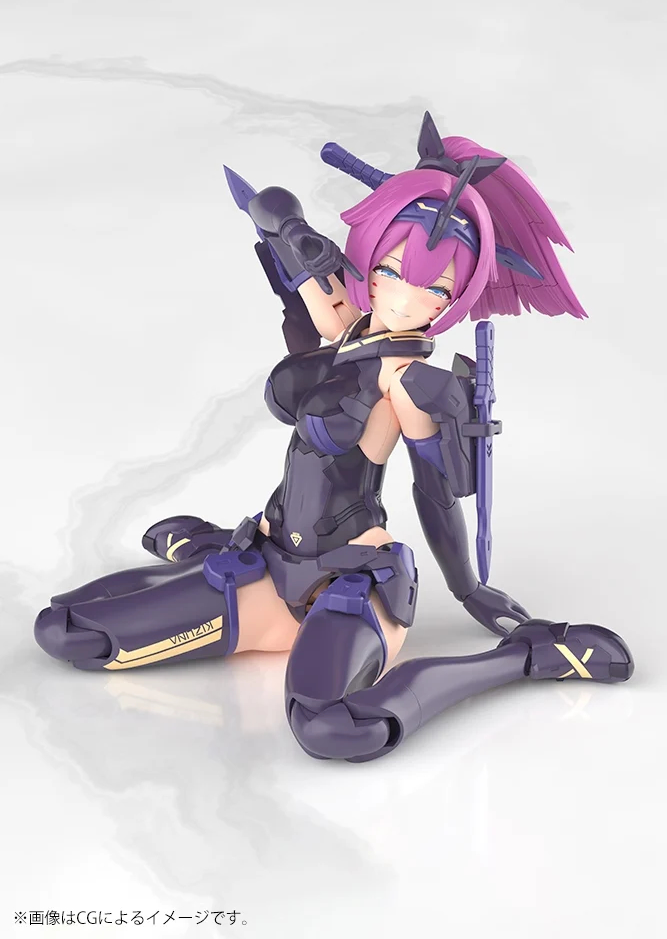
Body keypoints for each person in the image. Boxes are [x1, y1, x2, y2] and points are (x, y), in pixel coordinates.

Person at [34, 112, 633, 763]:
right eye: (393, 271)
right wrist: (289, 229)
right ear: (371, 262)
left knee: (332, 726)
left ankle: (524, 659)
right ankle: (204, 550)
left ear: (454, 300)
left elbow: (434, 495)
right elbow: (275, 223)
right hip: (265, 562)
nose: (407, 298)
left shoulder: (411, 384)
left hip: (349, 578)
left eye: (436, 287)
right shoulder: (345, 323)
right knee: (66, 631)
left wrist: (467, 589)